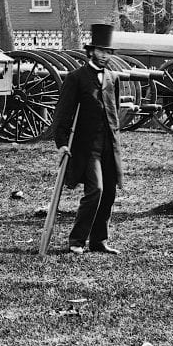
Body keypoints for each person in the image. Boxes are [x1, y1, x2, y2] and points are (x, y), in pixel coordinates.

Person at [51, 22, 123, 254]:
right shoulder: (77, 78)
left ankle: (99, 240)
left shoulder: (113, 78)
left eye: (108, 52)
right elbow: (61, 115)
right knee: (96, 191)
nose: (104, 56)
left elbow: (114, 111)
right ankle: (77, 240)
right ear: (91, 51)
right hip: (86, 147)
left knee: (109, 193)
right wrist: (62, 144)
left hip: (109, 146)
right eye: (100, 51)